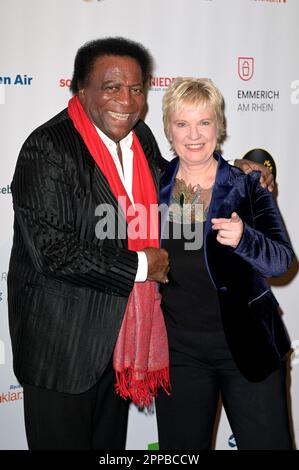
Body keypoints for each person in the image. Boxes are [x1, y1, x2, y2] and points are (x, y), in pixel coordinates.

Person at [7, 37, 273, 450]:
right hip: (62, 352)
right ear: (80, 89)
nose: (126, 100)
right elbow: (53, 252)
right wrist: (143, 266)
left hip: (117, 347)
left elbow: (180, 189)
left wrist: (237, 174)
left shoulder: (139, 138)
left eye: (135, 89)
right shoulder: (48, 147)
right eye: (111, 87)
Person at [155, 77, 294, 450]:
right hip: (180, 354)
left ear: (219, 126)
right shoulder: (157, 185)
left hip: (248, 349)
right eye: (182, 123)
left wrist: (245, 238)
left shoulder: (246, 184)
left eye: (204, 122)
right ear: (168, 129)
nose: (194, 135)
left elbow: (282, 261)